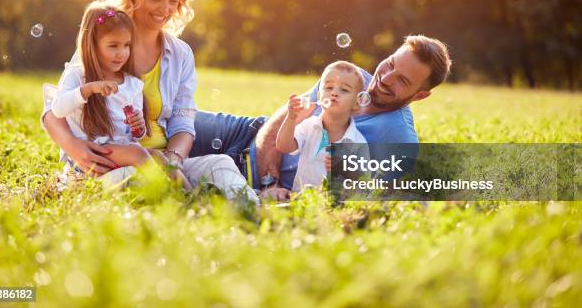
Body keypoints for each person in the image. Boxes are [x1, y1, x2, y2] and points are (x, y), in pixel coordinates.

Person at [42, 0, 258, 203]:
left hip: (160, 161)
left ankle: (249, 211)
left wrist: (174, 161)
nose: (165, 9)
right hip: (110, 163)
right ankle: (187, 206)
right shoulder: (105, 41)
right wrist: (72, 146)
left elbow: (183, 120)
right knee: (135, 180)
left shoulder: (179, 54)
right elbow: (53, 109)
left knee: (220, 164)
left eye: (173, 1)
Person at [189, 35, 452, 200]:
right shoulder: (351, 76)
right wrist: (269, 181)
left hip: (254, 183)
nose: (386, 78)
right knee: (168, 123)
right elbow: (282, 120)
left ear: (419, 96)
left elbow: (370, 197)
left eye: (403, 80)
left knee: (170, 169)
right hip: (247, 133)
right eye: (391, 63)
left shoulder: (398, 138)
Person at [49, 1, 190, 188]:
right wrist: (88, 89)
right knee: (138, 155)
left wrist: (138, 127)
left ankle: (189, 193)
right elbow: (58, 109)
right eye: (113, 45)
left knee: (159, 157)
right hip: (91, 154)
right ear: (92, 44)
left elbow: (135, 135)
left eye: (127, 45)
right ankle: (165, 193)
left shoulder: (131, 83)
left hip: (120, 149)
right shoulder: (78, 75)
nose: (122, 53)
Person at [276, 61, 368, 192]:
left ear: (357, 102)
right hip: (303, 202)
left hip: (335, 208)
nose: (334, 93)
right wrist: (291, 118)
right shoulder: (308, 126)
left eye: (344, 90)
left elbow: (363, 185)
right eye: (329, 87)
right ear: (319, 95)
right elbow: (283, 146)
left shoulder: (358, 143)